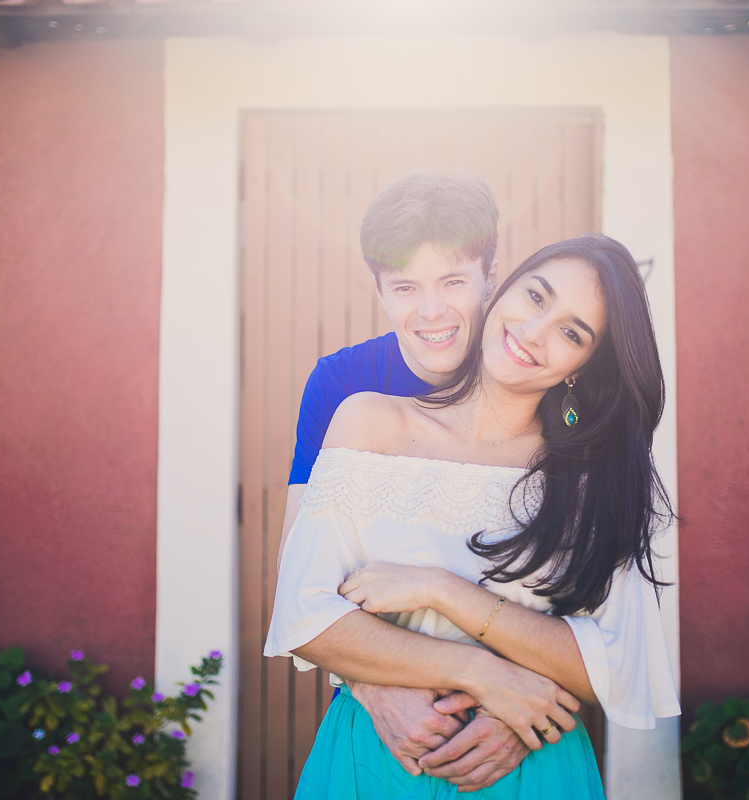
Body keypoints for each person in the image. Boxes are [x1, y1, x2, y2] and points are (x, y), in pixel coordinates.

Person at [266, 235, 681, 798]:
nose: (534, 332)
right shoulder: (369, 423)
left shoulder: (594, 478)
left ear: (583, 365)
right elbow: (301, 616)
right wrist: (482, 673)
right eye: (536, 297)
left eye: (571, 332)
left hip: (531, 772)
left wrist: (442, 590)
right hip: (375, 764)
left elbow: (614, 665)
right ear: (502, 287)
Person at [282, 169, 533, 790]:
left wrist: (523, 708)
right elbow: (301, 573)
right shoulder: (343, 384)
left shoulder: (541, 378)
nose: (430, 311)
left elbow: (592, 600)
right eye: (405, 286)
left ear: (490, 278)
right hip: (385, 740)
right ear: (379, 291)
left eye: (453, 281)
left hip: (522, 737)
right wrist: (371, 687)